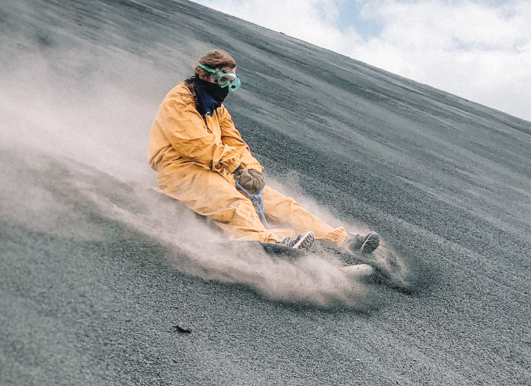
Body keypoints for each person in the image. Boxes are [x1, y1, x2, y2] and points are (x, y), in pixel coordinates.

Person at [148, 49, 380, 254]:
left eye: (232, 80)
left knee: (280, 202)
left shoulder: (217, 109)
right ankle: (269, 245)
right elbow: (194, 143)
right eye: (223, 78)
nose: (227, 86)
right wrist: (236, 168)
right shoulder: (180, 100)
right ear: (205, 75)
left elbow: (235, 143)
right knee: (236, 203)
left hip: (218, 169)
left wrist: (252, 170)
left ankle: (341, 240)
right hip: (180, 171)